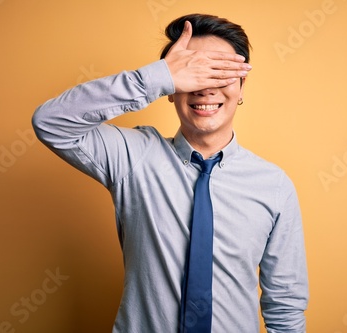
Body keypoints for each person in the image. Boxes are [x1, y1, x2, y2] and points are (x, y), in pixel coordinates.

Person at [32, 13, 308, 333]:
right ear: (172, 89)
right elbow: (50, 123)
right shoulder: (134, 157)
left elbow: (285, 303)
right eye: (195, 72)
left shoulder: (274, 186)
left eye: (219, 73)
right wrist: (156, 77)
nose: (206, 88)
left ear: (242, 87)